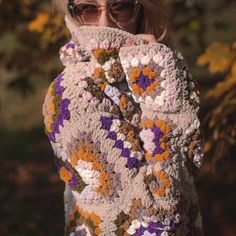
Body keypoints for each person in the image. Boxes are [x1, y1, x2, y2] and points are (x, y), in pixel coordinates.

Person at [42, 0, 204, 235]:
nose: (104, 22)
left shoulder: (149, 69)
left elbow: (189, 172)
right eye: (87, 8)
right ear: (73, 13)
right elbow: (159, 215)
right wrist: (162, 94)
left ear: (140, 10)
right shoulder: (73, 94)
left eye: (120, 6)